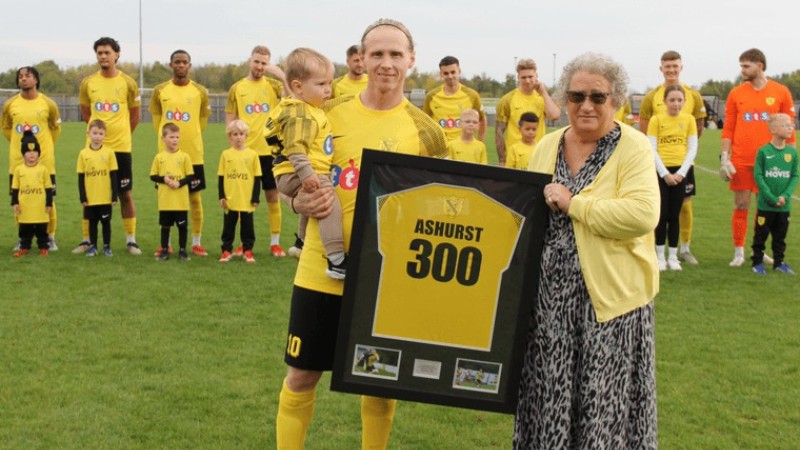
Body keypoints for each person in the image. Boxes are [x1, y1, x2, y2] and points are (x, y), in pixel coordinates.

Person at [275, 18, 448, 450]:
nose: (386, 63)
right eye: (377, 54)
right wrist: (297, 204)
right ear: (362, 59)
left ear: (411, 60)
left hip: (388, 278)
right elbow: (284, 172)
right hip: (321, 270)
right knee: (301, 376)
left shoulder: (426, 131)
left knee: (380, 383)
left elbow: (441, 202)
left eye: (395, 54)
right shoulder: (326, 112)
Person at [517, 52, 659, 449]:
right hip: (548, 306)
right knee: (548, 400)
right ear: (564, 98)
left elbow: (642, 214)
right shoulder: (547, 146)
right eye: (577, 96)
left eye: (598, 97)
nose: (586, 106)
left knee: (603, 408)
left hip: (610, 306)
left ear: (617, 100)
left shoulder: (633, 147)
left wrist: (574, 204)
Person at [267, 47, 346, 279]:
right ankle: (337, 260)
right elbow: (295, 147)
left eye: (329, 83)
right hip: (297, 171)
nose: (328, 90)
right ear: (298, 86)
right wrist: (307, 174)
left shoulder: (306, 107)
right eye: (321, 84)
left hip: (293, 172)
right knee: (328, 202)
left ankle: (301, 243)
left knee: (312, 201)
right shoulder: (300, 114)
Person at [720, 48, 796, 267]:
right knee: (741, 204)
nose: (742, 70)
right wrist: (724, 157)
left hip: (770, 161)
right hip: (741, 160)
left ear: (760, 66)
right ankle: (738, 252)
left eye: (746, 66)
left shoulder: (780, 92)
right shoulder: (736, 93)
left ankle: (758, 250)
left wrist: (790, 158)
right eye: (741, 66)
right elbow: (729, 128)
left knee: (764, 207)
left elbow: (789, 128)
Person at [639, 50, 707, 265]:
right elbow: (644, 131)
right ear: (661, 68)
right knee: (659, 207)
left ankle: (684, 249)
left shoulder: (693, 94)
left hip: (683, 163)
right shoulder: (651, 96)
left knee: (684, 206)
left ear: (681, 67)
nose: (671, 70)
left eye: (675, 66)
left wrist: (683, 150)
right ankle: (656, 250)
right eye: (667, 66)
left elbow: (699, 127)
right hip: (659, 162)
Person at [76, 37, 141, 255]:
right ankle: (87, 240)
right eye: (100, 53)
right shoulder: (88, 83)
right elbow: (87, 114)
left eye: (107, 52)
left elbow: (135, 116)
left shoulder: (128, 83)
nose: (103, 56)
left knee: (125, 194)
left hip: (121, 148)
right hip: (93, 150)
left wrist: (120, 135)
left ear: (117, 55)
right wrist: (98, 137)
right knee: (91, 195)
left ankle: (131, 240)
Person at [225, 45, 287, 257]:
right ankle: (244, 244)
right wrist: (234, 148)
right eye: (257, 62)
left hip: (270, 151)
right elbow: (230, 121)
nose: (260, 66)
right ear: (249, 61)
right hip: (246, 154)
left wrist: (282, 75)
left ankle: (275, 243)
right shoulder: (237, 88)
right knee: (243, 201)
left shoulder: (274, 85)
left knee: (272, 197)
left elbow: (293, 97)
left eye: (264, 63)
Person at [149, 49, 210, 257]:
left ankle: (196, 242)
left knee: (194, 199)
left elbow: (202, 121)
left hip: (193, 154)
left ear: (189, 66)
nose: (181, 65)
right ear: (171, 65)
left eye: (184, 62)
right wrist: (166, 143)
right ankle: (166, 244)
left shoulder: (200, 91)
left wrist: (191, 137)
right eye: (177, 62)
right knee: (167, 199)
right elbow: (157, 120)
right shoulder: (160, 90)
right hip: (166, 156)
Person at [2, 66, 62, 251]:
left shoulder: (48, 104)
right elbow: (6, 128)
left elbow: (56, 128)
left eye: (27, 76)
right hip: (18, 163)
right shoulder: (10, 104)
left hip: (44, 163)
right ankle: (23, 239)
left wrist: (43, 147)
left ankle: (50, 237)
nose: (23, 79)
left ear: (36, 80)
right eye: (20, 76)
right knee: (19, 200)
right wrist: (21, 147)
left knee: (48, 199)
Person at [647, 85, 698, 271]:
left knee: (674, 215)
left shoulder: (689, 119)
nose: (676, 104)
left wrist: (681, 173)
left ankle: (673, 257)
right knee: (661, 215)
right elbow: (651, 148)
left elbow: (692, 148)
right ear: (665, 101)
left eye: (679, 100)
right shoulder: (656, 120)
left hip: (680, 172)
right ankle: (660, 256)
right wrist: (665, 174)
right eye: (672, 100)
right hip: (661, 171)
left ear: (684, 101)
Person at [751, 113, 798, 275]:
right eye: (785, 125)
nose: (790, 128)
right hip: (766, 205)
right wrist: (770, 197)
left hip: (784, 206)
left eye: (791, 125)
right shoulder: (764, 152)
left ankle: (779, 263)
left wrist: (786, 195)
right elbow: (758, 176)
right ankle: (757, 262)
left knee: (780, 237)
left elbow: (795, 175)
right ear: (774, 129)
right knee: (761, 236)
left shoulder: (792, 153)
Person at [495, 58, 561, 166]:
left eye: (530, 77)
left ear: (536, 76)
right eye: (523, 77)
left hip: (538, 155)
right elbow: (499, 132)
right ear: (518, 77)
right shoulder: (507, 100)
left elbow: (554, 116)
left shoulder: (544, 97)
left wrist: (543, 92)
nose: (527, 81)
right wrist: (502, 160)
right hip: (515, 158)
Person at [217, 120, 262, 263]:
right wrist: (222, 196)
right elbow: (221, 177)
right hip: (230, 199)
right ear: (230, 137)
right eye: (235, 134)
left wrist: (255, 197)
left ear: (246, 136)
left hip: (246, 198)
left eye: (241, 134)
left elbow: (257, 177)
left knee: (247, 226)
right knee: (228, 226)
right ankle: (226, 250)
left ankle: (247, 250)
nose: (238, 137)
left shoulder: (253, 155)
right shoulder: (225, 154)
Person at [149, 123, 194, 262]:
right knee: (165, 226)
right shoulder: (159, 158)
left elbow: (190, 176)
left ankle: (182, 250)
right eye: (171, 137)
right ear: (163, 139)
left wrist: (179, 183)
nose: (175, 140)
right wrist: (164, 179)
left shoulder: (185, 157)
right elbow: (153, 176)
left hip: (180, 201)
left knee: (182, 226)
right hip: (165, 201)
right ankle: (164, 249)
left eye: (177, 137)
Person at [77, 120, 119, 257]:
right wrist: (82, 196)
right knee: (92, 223)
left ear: (105, 135)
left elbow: (114, 175)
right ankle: (93, 246)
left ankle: (107, 247)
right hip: (90, 197)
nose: (97, 136)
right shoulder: (83, 154)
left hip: (105, 197)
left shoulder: (109, 153)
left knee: (106, 222)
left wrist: (114, 195)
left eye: (101, 134)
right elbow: (81, 177)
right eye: (94, 133)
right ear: (88, 134)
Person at [422, 55, 487, 141]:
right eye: (446, 73)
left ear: (459, 71)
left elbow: (482, 119)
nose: (450, 76)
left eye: (453, 72)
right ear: (441, 74)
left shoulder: (472, 95)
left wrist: (480, 142)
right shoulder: (431, 96)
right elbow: (424, 122)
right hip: (440, 147)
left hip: (463, 146)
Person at [11, 131, 53, 257]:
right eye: (28, 152)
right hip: (25, 206)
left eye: (35, 151)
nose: (32, 154)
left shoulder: (43, 169)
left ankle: (43, 247)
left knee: (41, 229)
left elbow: (48, 188)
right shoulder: (18, 170)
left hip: (40, 207)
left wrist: (49, 203)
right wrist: (15, 202)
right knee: (25, 229)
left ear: (39, 154)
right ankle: (24, 247)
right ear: (23, 154)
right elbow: (15, 188)